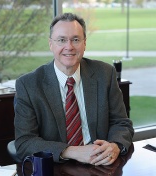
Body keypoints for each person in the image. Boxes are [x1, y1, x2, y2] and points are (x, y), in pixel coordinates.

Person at [14, 12, 134, 166]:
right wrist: (72, 151)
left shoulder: (105, 74)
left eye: (76, 39)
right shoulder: (28, 85)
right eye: (61, 40)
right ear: (51, 44)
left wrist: (115, 146)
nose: (69, 47)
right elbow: (25, 142)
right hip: (57, 167)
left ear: (84, 43)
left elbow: (122, 123)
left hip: (100, 165)